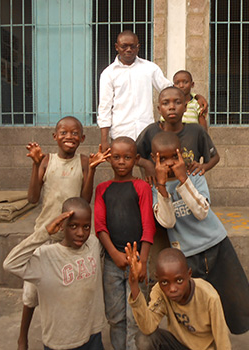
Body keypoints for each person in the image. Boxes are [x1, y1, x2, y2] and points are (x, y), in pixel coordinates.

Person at [151, 131, 249, 350]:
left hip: (217, 246)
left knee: (240, 297)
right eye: (162, 159)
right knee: (200, 306)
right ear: (153, 160)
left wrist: (183, 180)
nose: (169, 164)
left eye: (173, 157)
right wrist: (161, 187)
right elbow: (166, 222)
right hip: (187, 258)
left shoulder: (195, 176)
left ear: (181, 155)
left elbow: (201, 211)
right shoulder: (155, 190)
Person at [18, 116, 110, 350]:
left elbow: (84, 200)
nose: (69, 137)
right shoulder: (47, 161)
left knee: (74, 285)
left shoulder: (82, 162)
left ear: (82, 138)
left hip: (72, 238)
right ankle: (23, 337)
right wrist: (35, 165)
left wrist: (91, 170)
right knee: (31, 293)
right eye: (63, 132)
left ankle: (79, 332)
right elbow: (32, 198)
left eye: (74, 133)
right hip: (46, 236)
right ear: (54, 137)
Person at [3, 197, 106, 350]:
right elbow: (10, 264)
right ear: (62, 225)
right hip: (60, 341)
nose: (80, 233)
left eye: (86, 227)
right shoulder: (46, 256)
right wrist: (44, 233)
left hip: (92, 334)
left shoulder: (93, 244)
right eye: (73, 226)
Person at [97, 30, 208, 151]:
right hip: (120, 133)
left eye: (132, 46)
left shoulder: (149, 68)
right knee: (122, 169)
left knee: (150, 168)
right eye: (124, 46)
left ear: (138, 47)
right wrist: (104, 140)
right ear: (117, 47)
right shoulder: (108, 74)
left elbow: (170, 89)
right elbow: (105, 107)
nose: (128, 49)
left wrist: (196, 97)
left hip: (147, 133)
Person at [94, 136, 156, 350]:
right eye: (117, 157)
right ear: (109, 158)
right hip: (113, 263)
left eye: (127, 157)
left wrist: (143, 262)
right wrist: (114, 254)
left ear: (136, 159)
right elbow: (100, 226)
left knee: (135, 317)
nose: (122, 162)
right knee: (115, 316)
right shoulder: (102, 189)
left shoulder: (141, 187)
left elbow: (148, 226)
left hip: (137, 261)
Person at [125, 243, 231, 350]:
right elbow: (147, 328)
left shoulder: (209, 296)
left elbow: (222, 340)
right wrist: (134, 285)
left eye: (179, 280)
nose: (172, 289)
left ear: (189, 274)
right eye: (165, 282)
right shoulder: (159, 291)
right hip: (178, 346)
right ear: (158, 279)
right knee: (144, 340)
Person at [136, 86, 219, 183]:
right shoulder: (151, 131)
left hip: (189, 187)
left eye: (178, 102)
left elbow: (215, 157)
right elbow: (132, 155)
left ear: (185, 107)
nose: (171, 107)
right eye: (165, 103)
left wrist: (203, 166)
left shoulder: (196, 131)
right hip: (159, 188)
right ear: (159, 109)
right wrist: (147, 164)